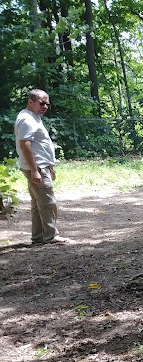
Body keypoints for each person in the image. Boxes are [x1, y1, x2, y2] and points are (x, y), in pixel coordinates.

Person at [14, 89, 70, 245]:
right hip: (36, 167)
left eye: (47, 103)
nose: (45, 106)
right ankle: (51, 236)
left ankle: (38, 237)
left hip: (40, 167)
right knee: (47, 202)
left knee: (37, 202)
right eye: (41, 103)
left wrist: (49, 167)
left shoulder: (33, 117)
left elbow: (38, 145)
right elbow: (25, 145)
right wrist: (34, 170)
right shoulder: (26, 119)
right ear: (30, 102)